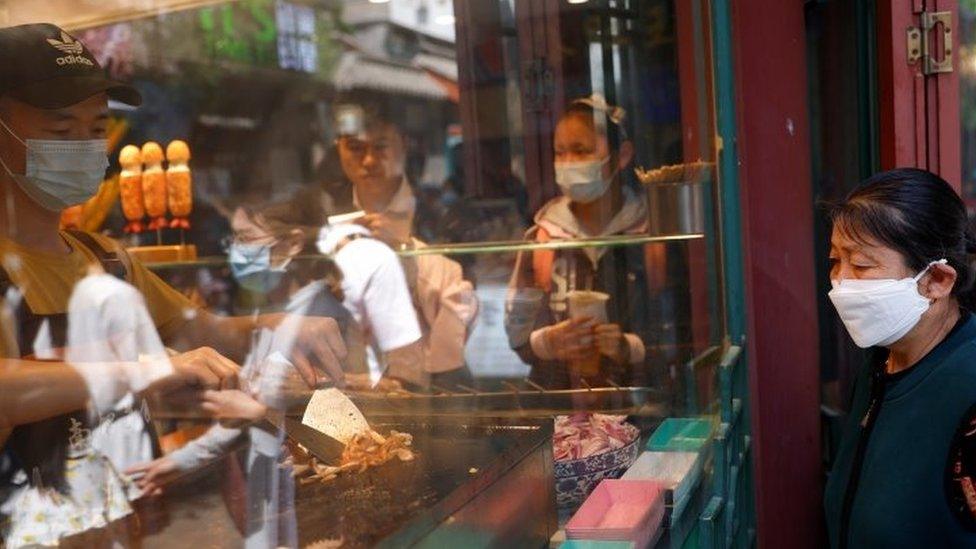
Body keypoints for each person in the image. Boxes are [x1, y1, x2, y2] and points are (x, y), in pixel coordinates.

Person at [0, 23, 346, 547]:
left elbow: (201, 332)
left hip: (118, 525)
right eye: (63, 130)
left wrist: (277, 324)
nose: (87, 146)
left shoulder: (106, 259)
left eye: (96, 129)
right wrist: (146, 370)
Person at [822, 168, 976, 548]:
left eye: (861, 265)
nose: (841, 282)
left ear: (937, 280)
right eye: (835, 260)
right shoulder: (881, 366)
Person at [505, 95, 663, 390]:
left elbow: (683, 336)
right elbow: (517, 335)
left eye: (581, 151)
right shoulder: (539, 239)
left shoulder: (653, 235)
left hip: (636, 405)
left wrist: (627, 347)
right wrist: (548, 343)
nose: (567, 164)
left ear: (623, 155)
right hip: (555, 406)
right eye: (560, 152)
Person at [327, 103, 478, 388]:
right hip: (344, 392)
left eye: (380, 146)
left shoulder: (440, 213)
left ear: (403, 145)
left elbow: (462, 315)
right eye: (356, 147)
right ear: (339, 148)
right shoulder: (322, 221)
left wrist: (405, 256)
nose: (369, 160)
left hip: (428, 393)